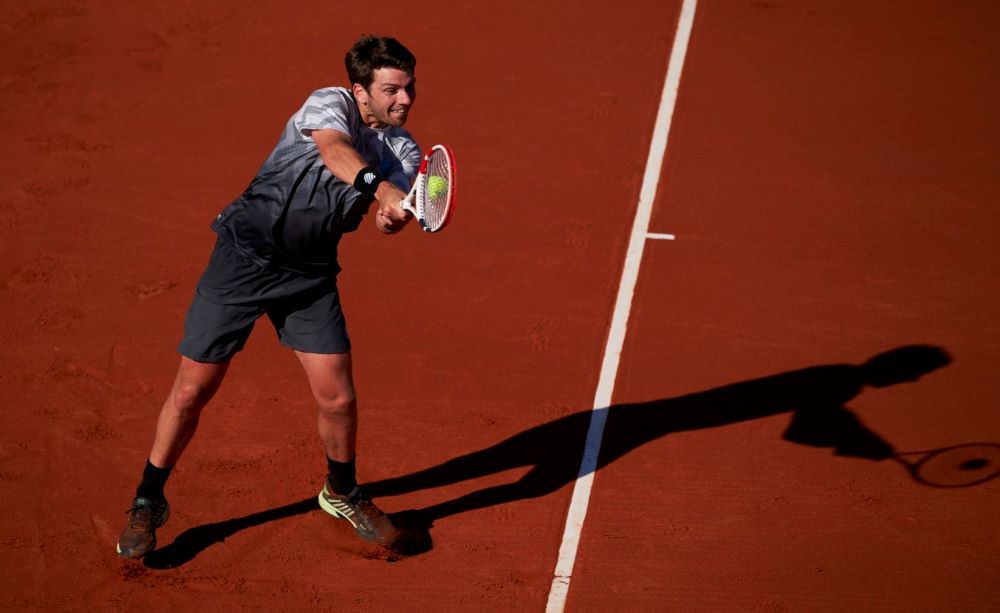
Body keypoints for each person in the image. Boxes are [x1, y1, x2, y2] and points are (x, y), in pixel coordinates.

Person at [116, 35, 421, 559]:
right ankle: (148, 498)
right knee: (192, 391)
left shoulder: (404, 150)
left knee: (338, 396)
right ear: (360, 90)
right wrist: (382, 191)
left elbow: (385, 216)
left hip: (308, 275)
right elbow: (333, 151)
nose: (405, 100)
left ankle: (341, 491)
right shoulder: (329, 104)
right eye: (392, 89)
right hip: (243, 257)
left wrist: (392, 216)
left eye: (410, 89)